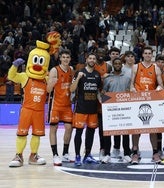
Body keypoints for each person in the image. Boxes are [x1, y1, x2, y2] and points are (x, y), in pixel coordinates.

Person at [7, 38, 60, 167]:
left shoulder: (46, 79)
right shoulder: (25, 76)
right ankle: (18, 155)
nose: (38, 65)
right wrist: (14, 66)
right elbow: (11, 77)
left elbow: (53, 83)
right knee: (22, 133)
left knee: (37, 134)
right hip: (26, 110)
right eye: (36, 60)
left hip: (39, 111)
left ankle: (33, 155)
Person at [129, 46, 164, 164]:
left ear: (152, 55)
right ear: (143, 55)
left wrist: (159, 88)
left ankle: (155, 152)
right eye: (146, 53)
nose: (148, 55)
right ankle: (135, 152)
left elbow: (161, 85)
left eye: (150, 53)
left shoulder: (156, 68)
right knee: (136, 128)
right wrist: (132, 89)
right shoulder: (136, 67)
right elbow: (131, 84)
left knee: (152, 128)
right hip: (138, 99)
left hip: (151, 100)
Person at [70, 52, 102, 166]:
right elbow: (71, 89)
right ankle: (77, 156)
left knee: (91, 133)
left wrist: (103, 101)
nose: (92, 60)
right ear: (86, 59)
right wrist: (78, 78)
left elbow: (98, 91)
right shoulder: (79, 72)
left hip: (93, 109)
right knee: (78, 132)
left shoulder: (97, 75)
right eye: (90, 58)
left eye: (94, 58)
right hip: (81, 109)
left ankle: (87, 155)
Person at [101, 57, 132, 163]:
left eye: (119, 63)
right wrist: (102, 98)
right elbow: (103, 92)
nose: (118, 65)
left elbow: (130, 92)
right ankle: (107, 154)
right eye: (116, 63)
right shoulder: (108, 78)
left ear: (121, 65)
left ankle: (127, 153)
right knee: (109, 132)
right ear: (113, 65)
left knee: (126, 132)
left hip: (124, 108)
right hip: (111, 109)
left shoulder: (127, 78)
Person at [47, 49, 74, 166]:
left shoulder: (71, 70)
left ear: (70, 59)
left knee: (69, 128)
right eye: (64, 57)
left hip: (67, 104)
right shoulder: (54, 70)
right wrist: (52, 83)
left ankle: (65, 153)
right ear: (60, 58)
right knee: (54, 129)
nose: (66, 59)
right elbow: (48, 90)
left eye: (67, 57)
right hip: (55, 105)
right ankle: (55, 155)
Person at [94, 48, 113, 160]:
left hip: (107, 99)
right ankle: (102, 148)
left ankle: (108, 151)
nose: (100, 55)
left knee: (108, 128)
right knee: (100, 128)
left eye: (102, 53)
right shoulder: (93, 66)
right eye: (98, 53)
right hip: (95, 99)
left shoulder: (108, 67)